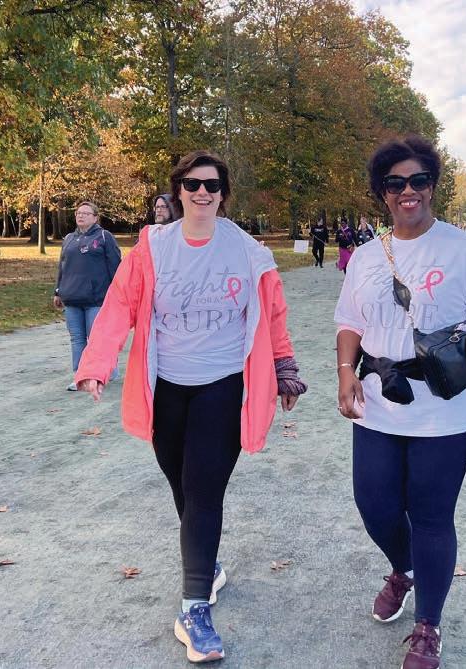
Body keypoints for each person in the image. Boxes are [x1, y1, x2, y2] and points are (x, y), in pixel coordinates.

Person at [73, 150, 306, 664]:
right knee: (181, 484)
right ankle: (207, 564)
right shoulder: (153, 247)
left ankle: (194, 608)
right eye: (193, 184)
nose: (202, 192)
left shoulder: (247, 252)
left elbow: (273, 315)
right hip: (166, 387)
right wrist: (96, 363)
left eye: (212, 185)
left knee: (203, 489)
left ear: (223, 193)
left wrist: (285, 368)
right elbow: (119, 304)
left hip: (223, 385)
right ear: (178, 191)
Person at [334, 136, 466, 669]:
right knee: (374, 506)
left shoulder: (465, 250)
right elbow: (349, 321)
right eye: (395, 183)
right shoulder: (366, 256)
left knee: (432, 516)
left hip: (445, 406)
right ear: (383, 193)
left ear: (432, 186)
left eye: (418, 180)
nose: (407, 190)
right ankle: (405, 568)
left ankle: (428, 625)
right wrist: (345, 372)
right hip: (378, 402)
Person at [53, 202, 122, 391]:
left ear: (95, 217)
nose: (80, 216)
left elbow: (116, 267)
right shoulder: (69, 238)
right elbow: (62, 267)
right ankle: (80, 376)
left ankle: (104, 370)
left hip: (96, 299)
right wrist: (57, 291)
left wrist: (118, 293)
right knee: (77, 339)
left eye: (85, 213)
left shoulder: (104, 237)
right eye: (78, 213)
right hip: (71, 298)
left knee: (97, 339)